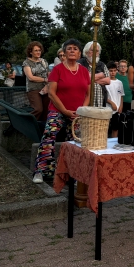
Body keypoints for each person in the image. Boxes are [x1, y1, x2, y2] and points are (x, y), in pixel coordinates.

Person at [33, 39, 91, 183]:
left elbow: (89, 94)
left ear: (79, 54)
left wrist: (81, 110)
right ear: (64, 53)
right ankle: (41, 171)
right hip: (58, 110)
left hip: (77, 113)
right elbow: (51, 93)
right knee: (49, 136)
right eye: (69, 48)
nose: (72, 50)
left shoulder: (84, 71)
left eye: (75, 49)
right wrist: (64, 111)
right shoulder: (57, 70)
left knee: (76, 141)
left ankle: (73, 172)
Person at [22, 41, 50, 121]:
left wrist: (48, 83)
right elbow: (30, 77)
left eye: (39, 50)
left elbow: (49, 74)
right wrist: (44, 79)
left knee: (46, 111)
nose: (38, 52)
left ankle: (41, 129)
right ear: (30, 52)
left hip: (45, 88)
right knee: (38, 109)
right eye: (36, 50)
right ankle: (26, 123)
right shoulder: (27, 62)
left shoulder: (44, 62)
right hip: (33, 89)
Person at [78, 41, 110, 108]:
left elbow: (108, 81)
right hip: (84, 100)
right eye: (92, 50)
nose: (95, 53)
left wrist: (90, 78)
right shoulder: (80, 63)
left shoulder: (102, 65)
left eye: (97, 51)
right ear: (86, 52)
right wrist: (101, 75)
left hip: (100, 101)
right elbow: (82, 79)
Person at [105, 61, 124, 138]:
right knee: (105, 128)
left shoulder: (119, 82)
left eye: (114, 71)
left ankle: (113, 143)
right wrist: (111, 103)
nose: (112, 73)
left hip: (117, 110)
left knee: (115, 128)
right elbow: (103, 96)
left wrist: (121, 106)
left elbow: (121, 95)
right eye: (110, 71)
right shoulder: (105, 82)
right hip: (107, 109)